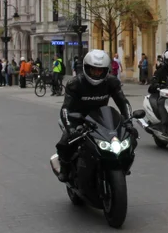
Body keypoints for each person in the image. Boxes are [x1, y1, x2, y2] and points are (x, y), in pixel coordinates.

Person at [55, 50, 134, 182]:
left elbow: (123, 102)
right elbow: (65, 109)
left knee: (130, 138)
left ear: (105, 70)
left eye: (100, 70)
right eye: (93, 70)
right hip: (77, 119)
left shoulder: (112, 82)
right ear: (86, 68)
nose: (96, 73)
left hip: (101, 118)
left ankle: (122, 165)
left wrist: (129, 122)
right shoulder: (75, 83)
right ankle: (65, 168)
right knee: (65, 143)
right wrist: (71, 129)